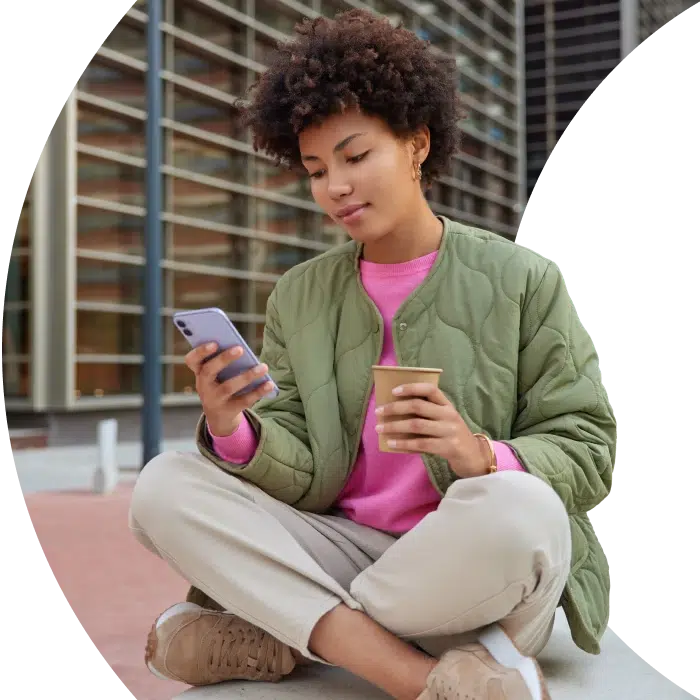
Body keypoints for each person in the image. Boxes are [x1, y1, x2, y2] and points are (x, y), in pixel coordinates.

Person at [129, 9, 616, 700]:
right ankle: (418, 677)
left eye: (356, 157)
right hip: (347, 544)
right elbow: (299, 459)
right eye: (316, 168)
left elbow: (592, 447)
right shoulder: (298, 296)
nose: (335, 186)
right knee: (164, 487)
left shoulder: (524, 279)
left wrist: (480, 454)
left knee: (519, 508)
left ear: (418, 143)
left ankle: (285, 626)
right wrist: (235, 429)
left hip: (468, 562)